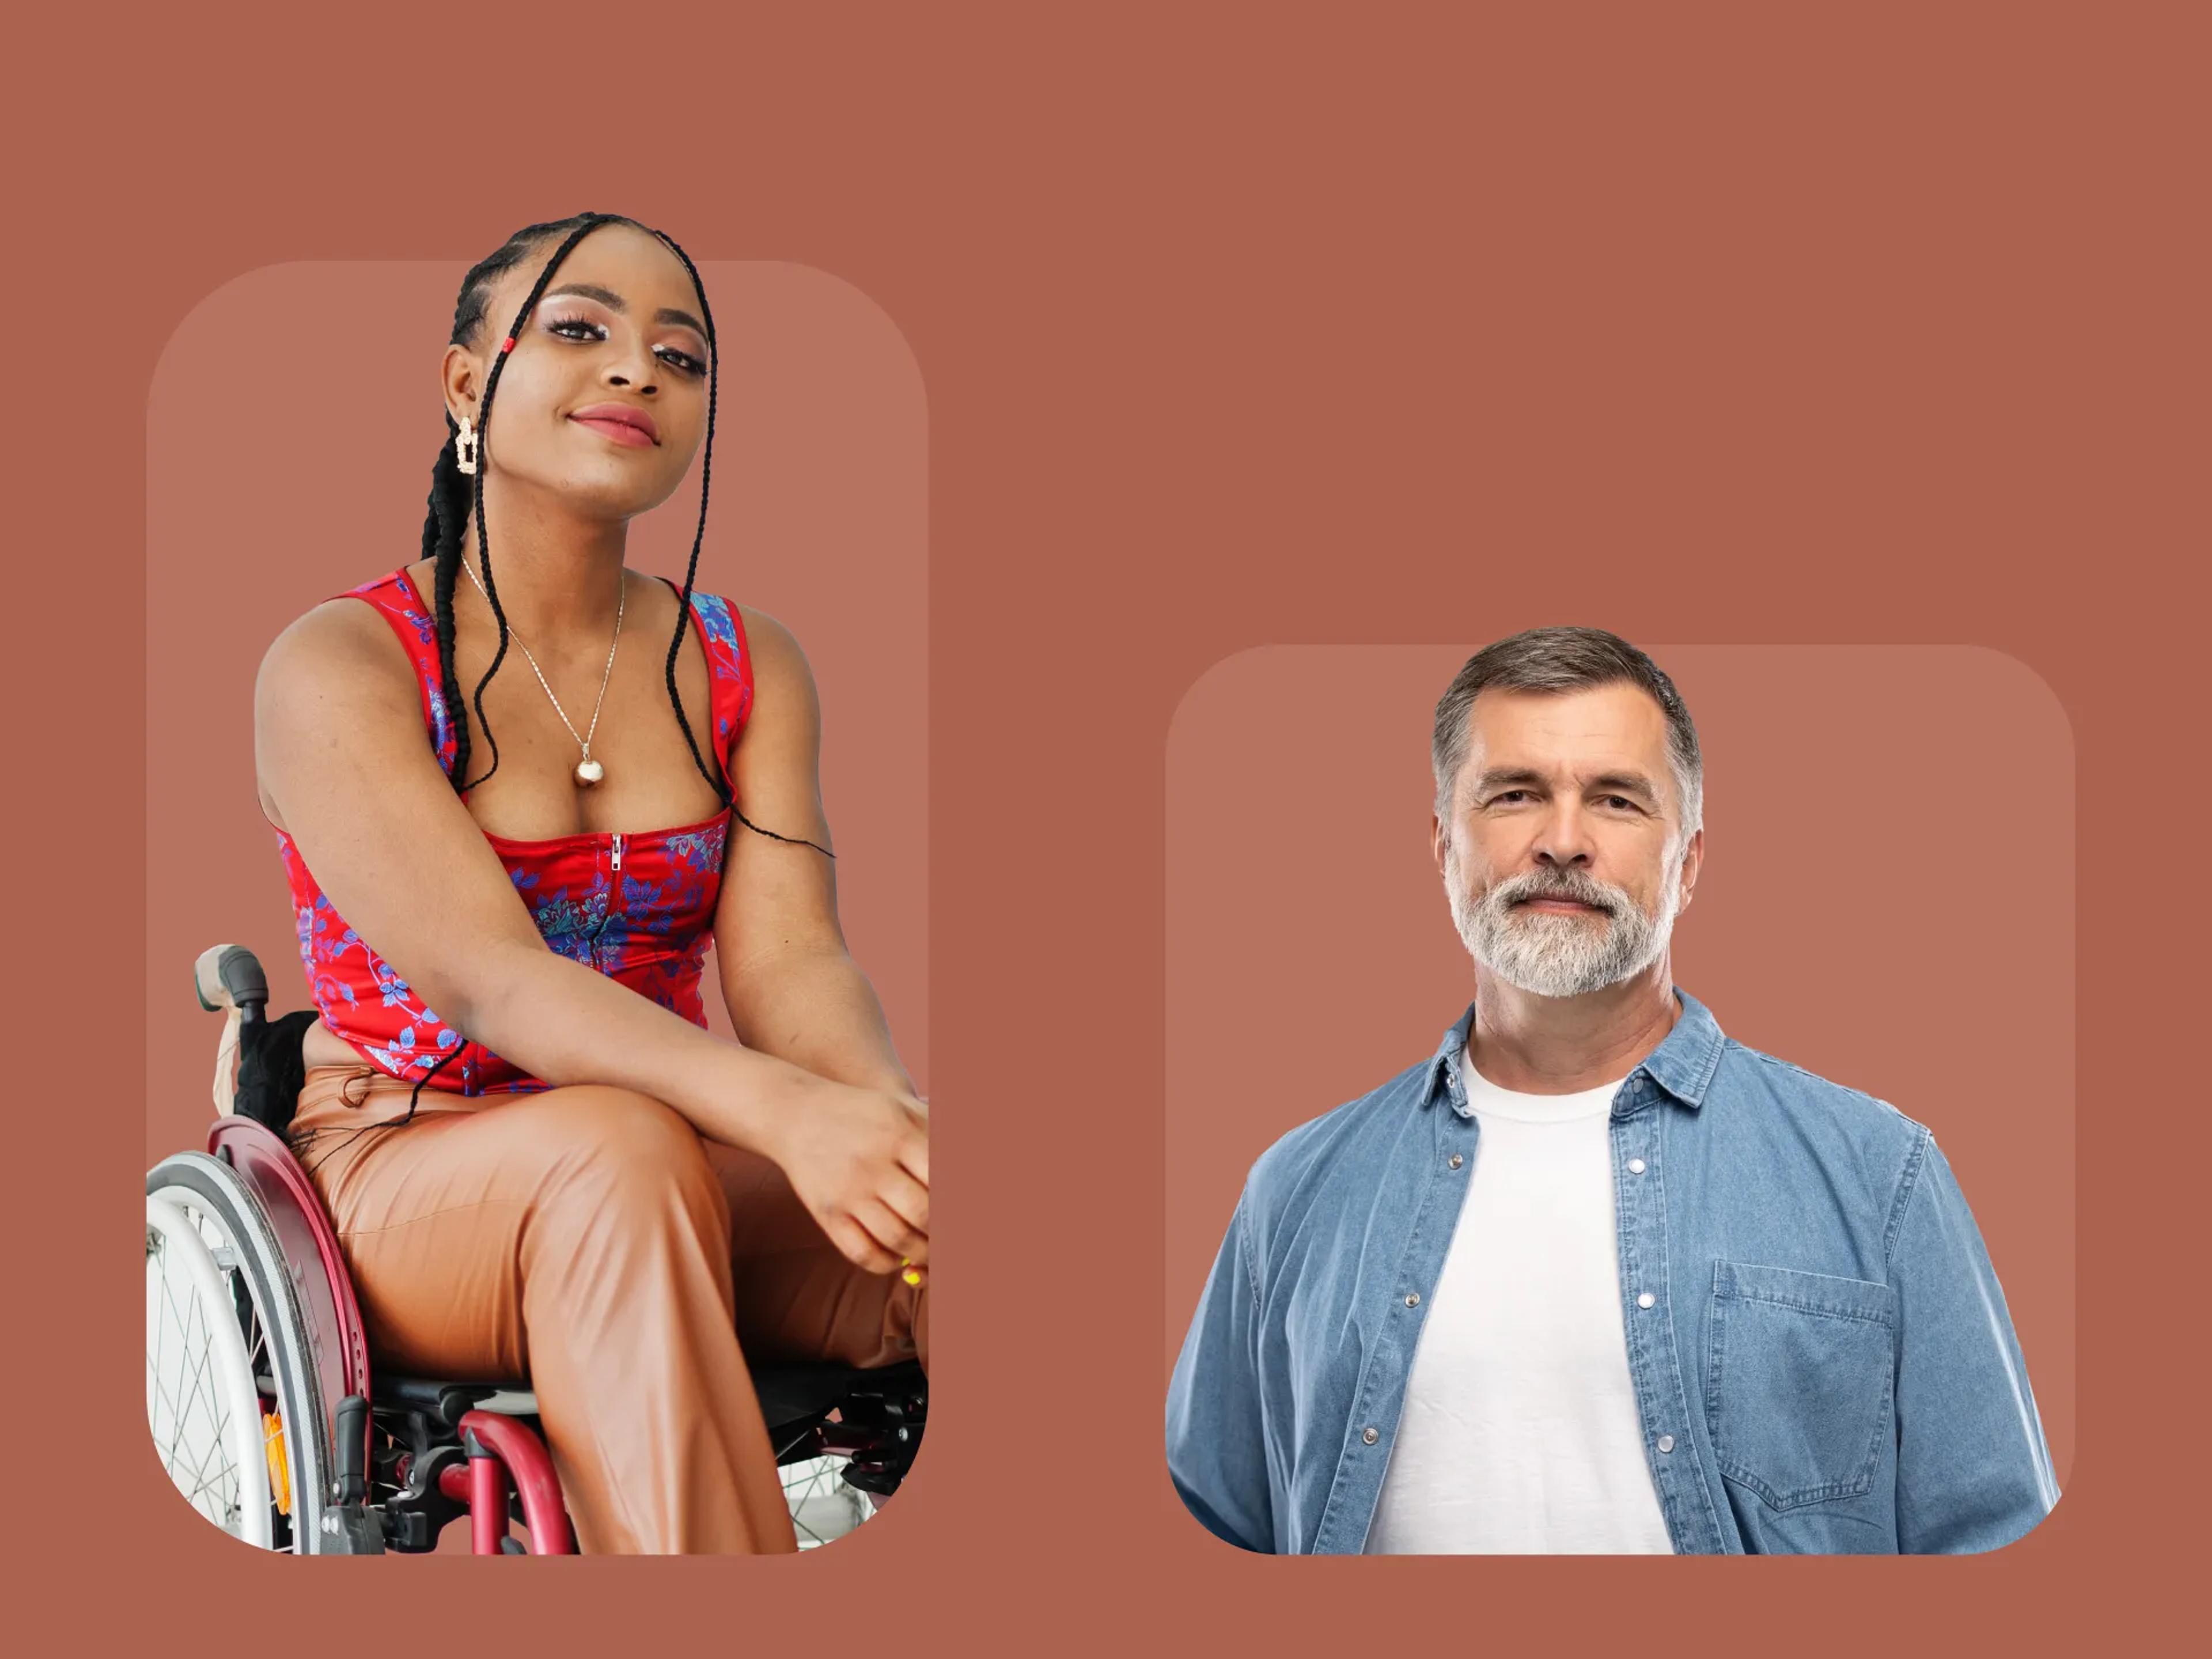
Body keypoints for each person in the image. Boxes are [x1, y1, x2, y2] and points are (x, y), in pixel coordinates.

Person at [252, 212, 928, 1554]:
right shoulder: (342, 665)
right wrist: (783, 1112)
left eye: (680, 357)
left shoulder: (747, 662)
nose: (637, 373)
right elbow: (493, 978)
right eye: (580, 332)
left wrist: (876, 1128)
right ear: (465, 384)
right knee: (617, 1159)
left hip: (669, 1157)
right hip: (402, 1160)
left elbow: (793, 963)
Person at [1164, 627, 2058, 1555]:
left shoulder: (1882, 1176)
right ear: (1441, 845)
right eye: (1515, 795)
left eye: (1616, 800)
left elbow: (1998, 1551)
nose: (1561, 842)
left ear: (1691, 862)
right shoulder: (1294, 1192)